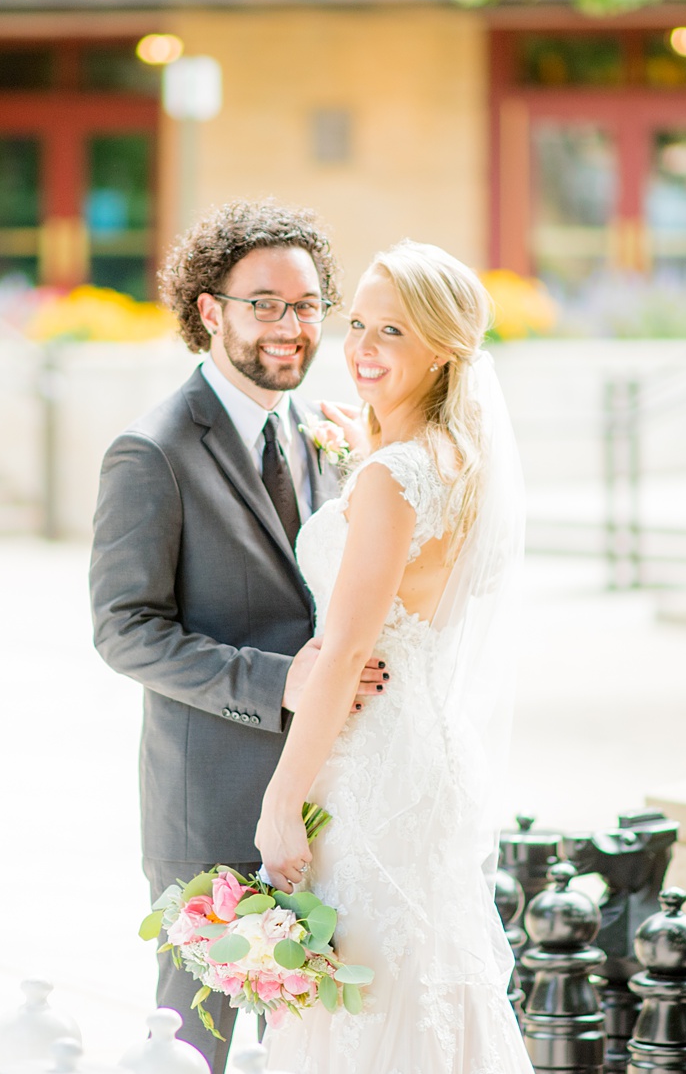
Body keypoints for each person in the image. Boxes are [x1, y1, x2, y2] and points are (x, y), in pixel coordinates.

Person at [89, 199, 387, 1071]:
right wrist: (276, 680)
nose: (291, 327)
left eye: (306, 305)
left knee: (304, 1040)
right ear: (210, 309)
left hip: (327, 797)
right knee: (197, 1047)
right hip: (211, 807)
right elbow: (123, 630)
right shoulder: (152, 451)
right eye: (265, 303)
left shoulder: (323, 434)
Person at [259, 240, 531, 1072]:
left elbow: (342, 658)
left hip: (370, 760)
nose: (363, 350)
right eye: (358, 325)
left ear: (444, 349)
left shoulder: (393, 477)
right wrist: (366, 453)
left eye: (394, 334)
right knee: (427, 976)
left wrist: (280, 801)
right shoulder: (460, 462)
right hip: (430, 750)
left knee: (360, 994)